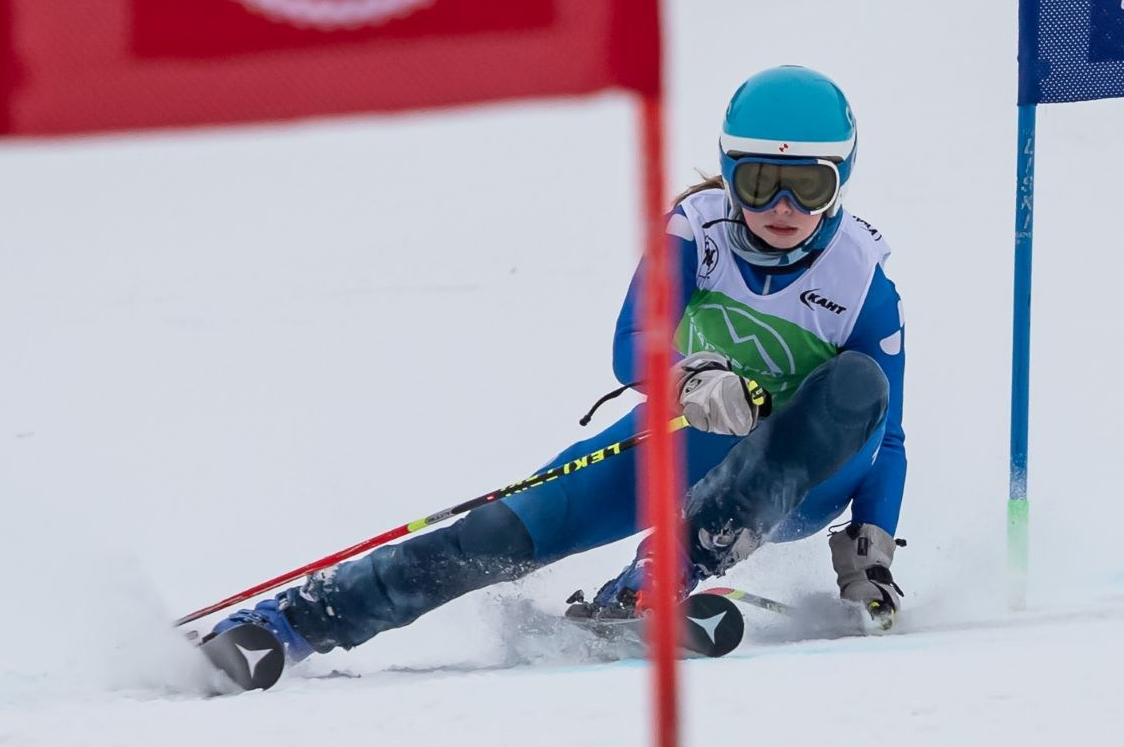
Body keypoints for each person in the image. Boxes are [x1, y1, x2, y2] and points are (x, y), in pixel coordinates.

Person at [200, 66, 908, 691]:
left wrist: (870, 549)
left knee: (854, 381)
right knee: (498, 534)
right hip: (688, 439)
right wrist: (688, 378)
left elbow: (885, 427)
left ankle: (664, 571)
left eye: (807, 184)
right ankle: (289, 623)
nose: (782, 206)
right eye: (760, 181)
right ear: (729, 173)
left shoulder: (861, 276)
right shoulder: (695, 232)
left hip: (807, 479)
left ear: (841, 180)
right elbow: (633, 340)